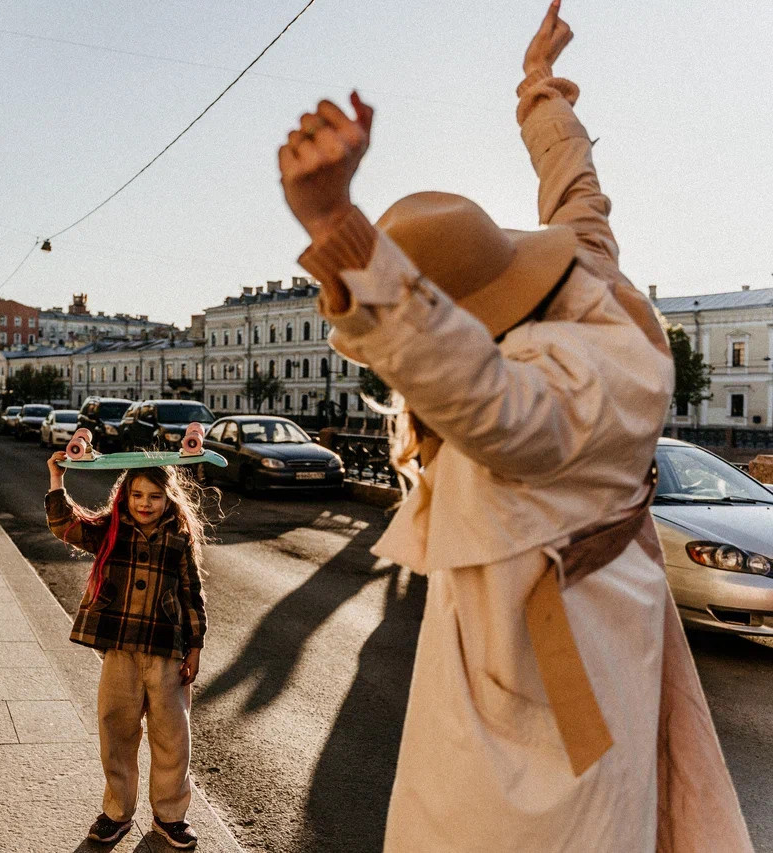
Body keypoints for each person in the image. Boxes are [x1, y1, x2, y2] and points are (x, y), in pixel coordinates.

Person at [277, 2, 751, 850]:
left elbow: (487, 398)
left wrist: (341, 233)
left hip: (549, 720)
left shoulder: (570, 392)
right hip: (593, 668)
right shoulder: (593, 295)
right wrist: (540, 90)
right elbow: (579, 195)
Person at [45, 452, 208, 850]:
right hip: (120, 651)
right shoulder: (111, 531)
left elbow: (192, 595)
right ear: (123, 497)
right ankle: (117, 812)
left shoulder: (178, 539)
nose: (144, 504)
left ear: (169, 500)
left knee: (172, 737)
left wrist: (196, 646)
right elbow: (65, 526)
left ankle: (170, 816)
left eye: (154, 496)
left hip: (167, 652)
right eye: (137, 495)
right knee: (116, 731)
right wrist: (56, 482)